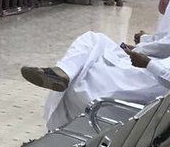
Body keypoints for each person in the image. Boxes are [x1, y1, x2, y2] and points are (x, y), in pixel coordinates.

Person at [21, 27, 170, 131]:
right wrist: (143, 43)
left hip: (148, 80)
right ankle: (62, 72)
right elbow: (165, 43)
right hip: (152, 71)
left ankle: (63, 73)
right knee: (95, 41)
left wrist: (147, 63)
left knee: (83, 71)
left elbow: (165, 47)